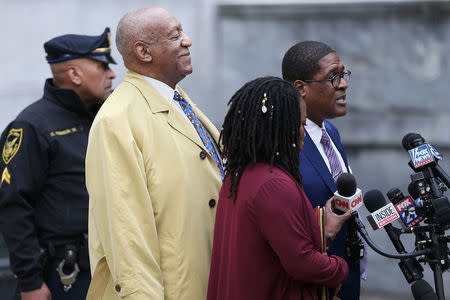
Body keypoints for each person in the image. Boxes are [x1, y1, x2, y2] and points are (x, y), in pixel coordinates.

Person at [85, 7, 223, 300]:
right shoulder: (117, 119)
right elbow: (126, 232)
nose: (187, 41)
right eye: (176, 35)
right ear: (144, 52)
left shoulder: (177, 98)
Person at [207, 76, 351, 300]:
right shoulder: (273, 185)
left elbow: (267, 245)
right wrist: (340, 268)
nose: (304, 133)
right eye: (301, 125)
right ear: (280, 128)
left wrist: (323, 230)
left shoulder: (241, 173)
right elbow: (301, 263)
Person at [0, 28, 116, 300]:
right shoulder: (31, 125)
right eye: (102, 66)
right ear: (75, 74)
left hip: (109, 268)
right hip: (63, 275)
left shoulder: (104, 117)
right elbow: (13, 204)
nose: (111, 73)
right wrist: (30, 282)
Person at [282, 41, 366, 300]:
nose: (343, 84)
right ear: (301, 88)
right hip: (314, 285)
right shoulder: (286, 143)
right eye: (332, 77)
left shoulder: (330, 132)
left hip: (346, 277)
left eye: (343, 74)